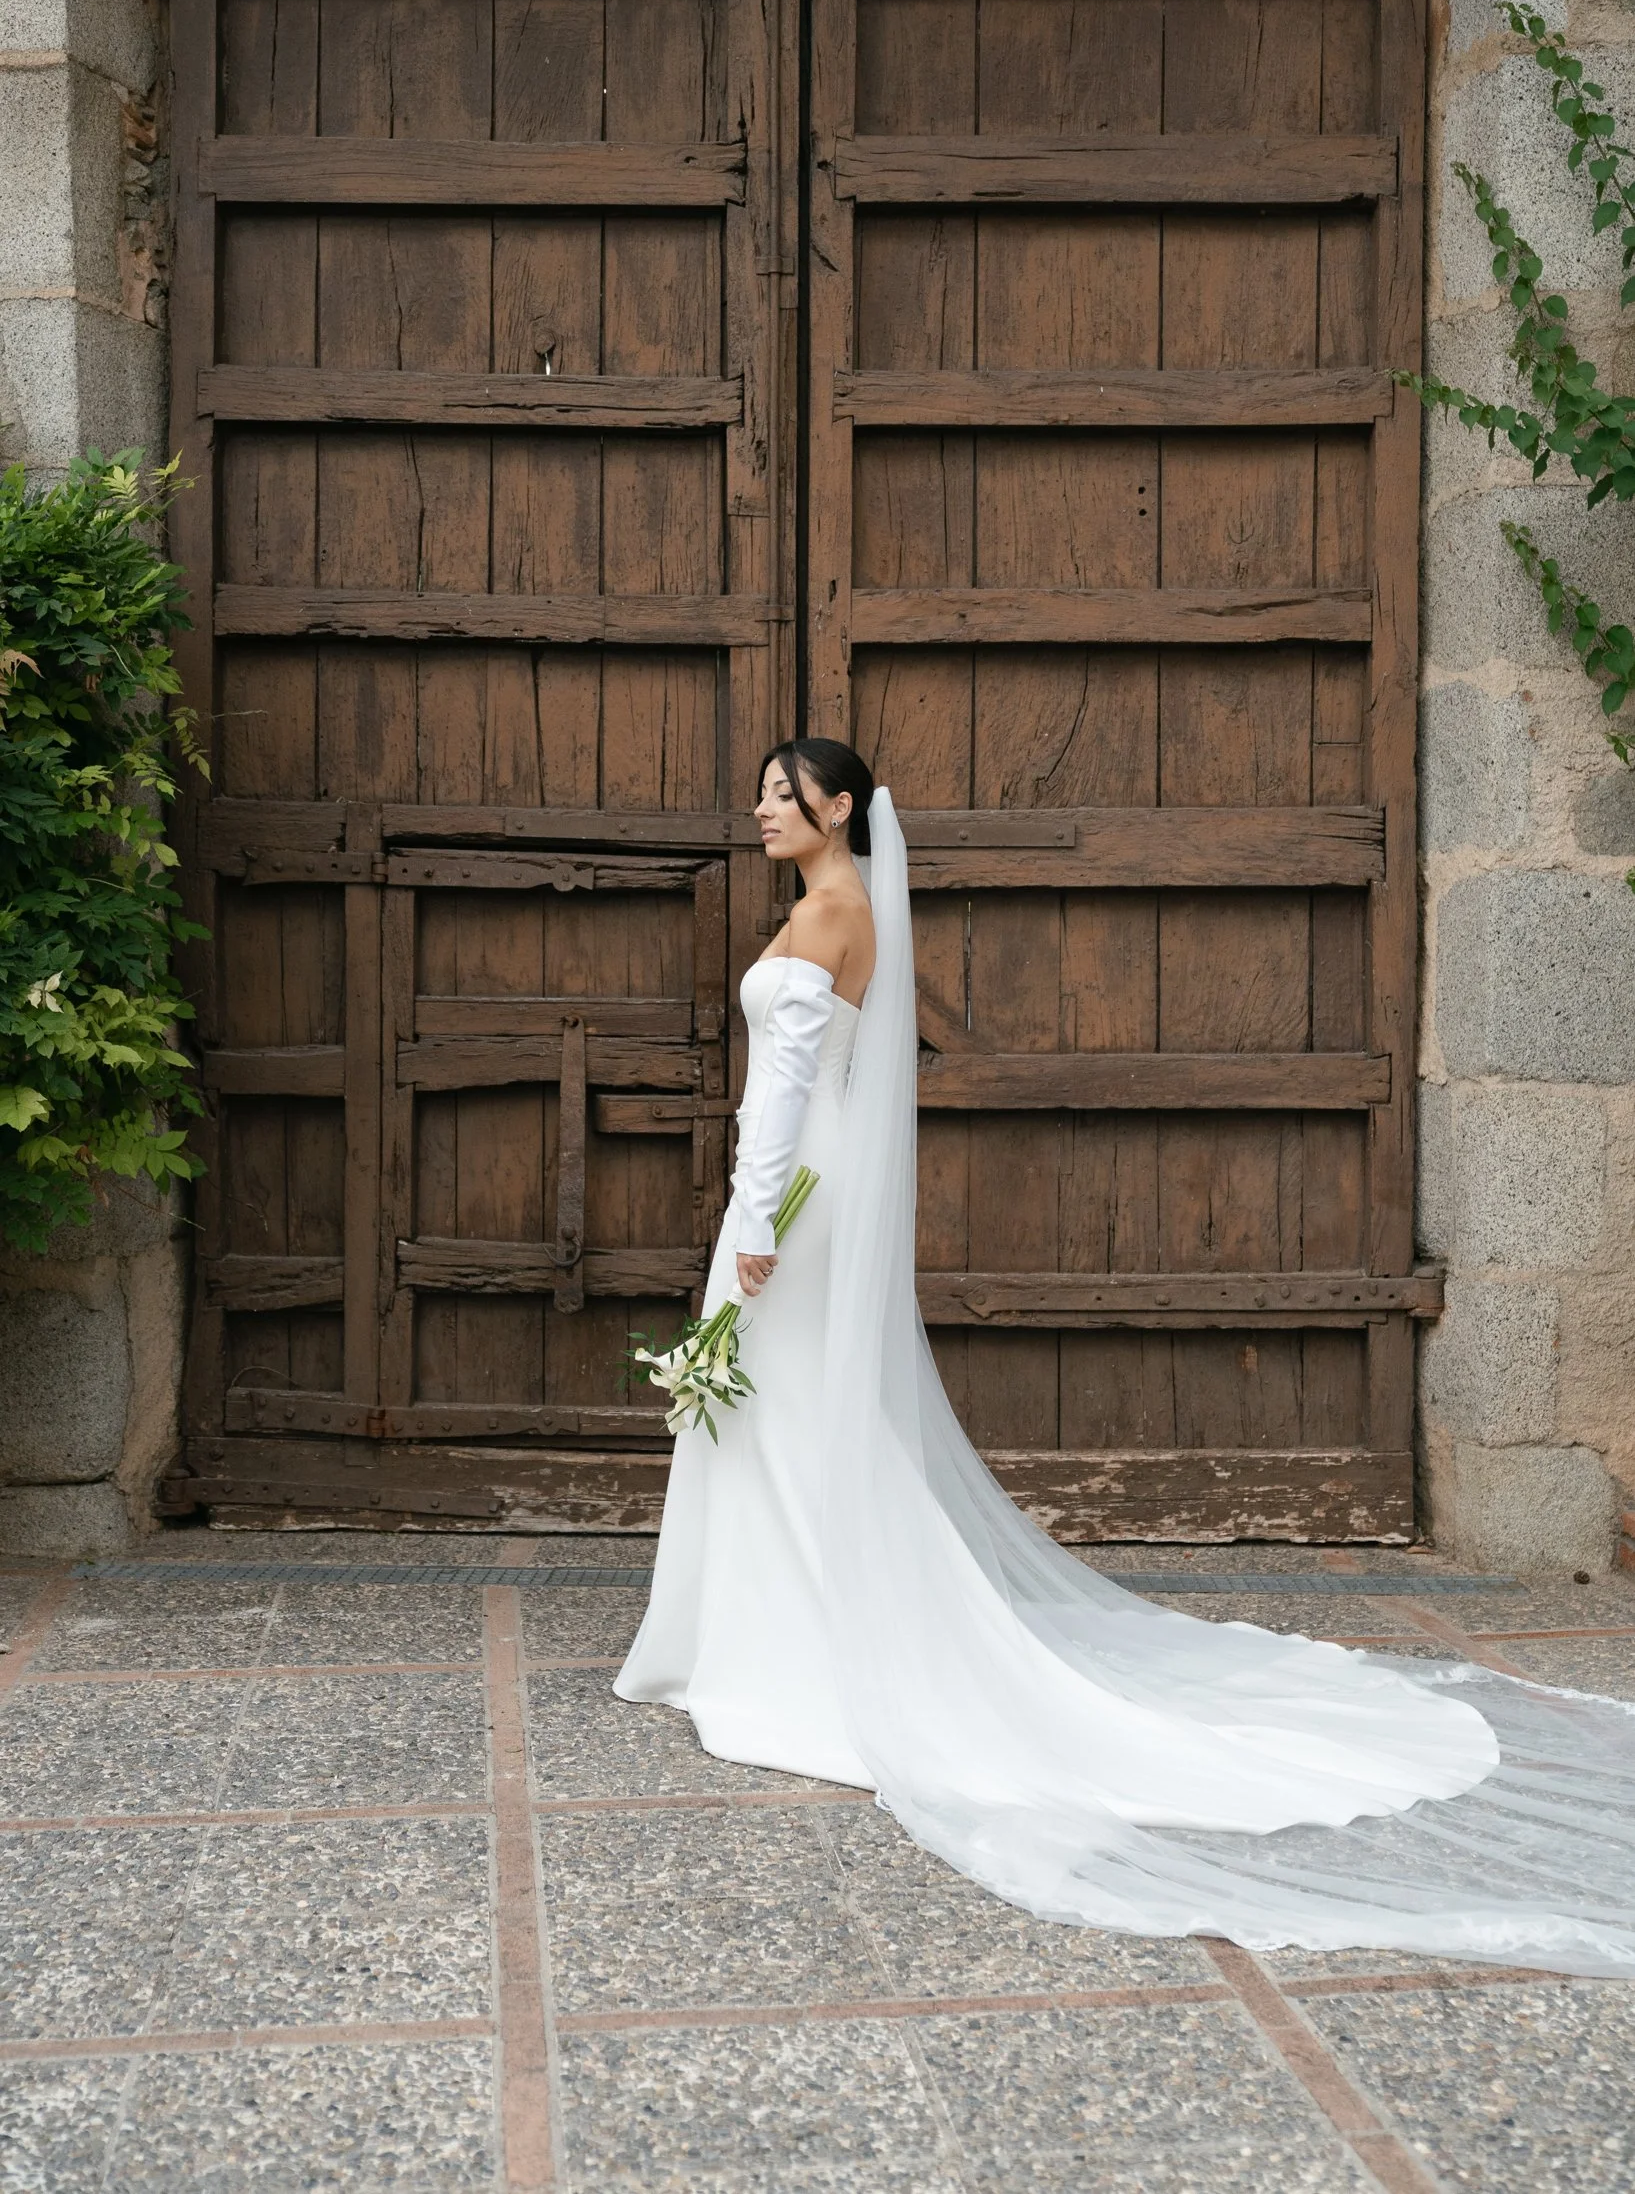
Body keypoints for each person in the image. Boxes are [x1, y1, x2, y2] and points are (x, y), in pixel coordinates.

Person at [619, 743, 1635, 1974]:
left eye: (787, 794)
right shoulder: (835, 910)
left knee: (776, 1408)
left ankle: (794, 1648)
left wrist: (757, 1216)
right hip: (810, 1187)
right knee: (781, 1410)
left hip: (791, 1195)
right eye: (766, 793)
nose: (765, 809)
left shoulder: (829, 915)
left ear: (839, 810)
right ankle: (774, 1626)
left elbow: (781, 1087)